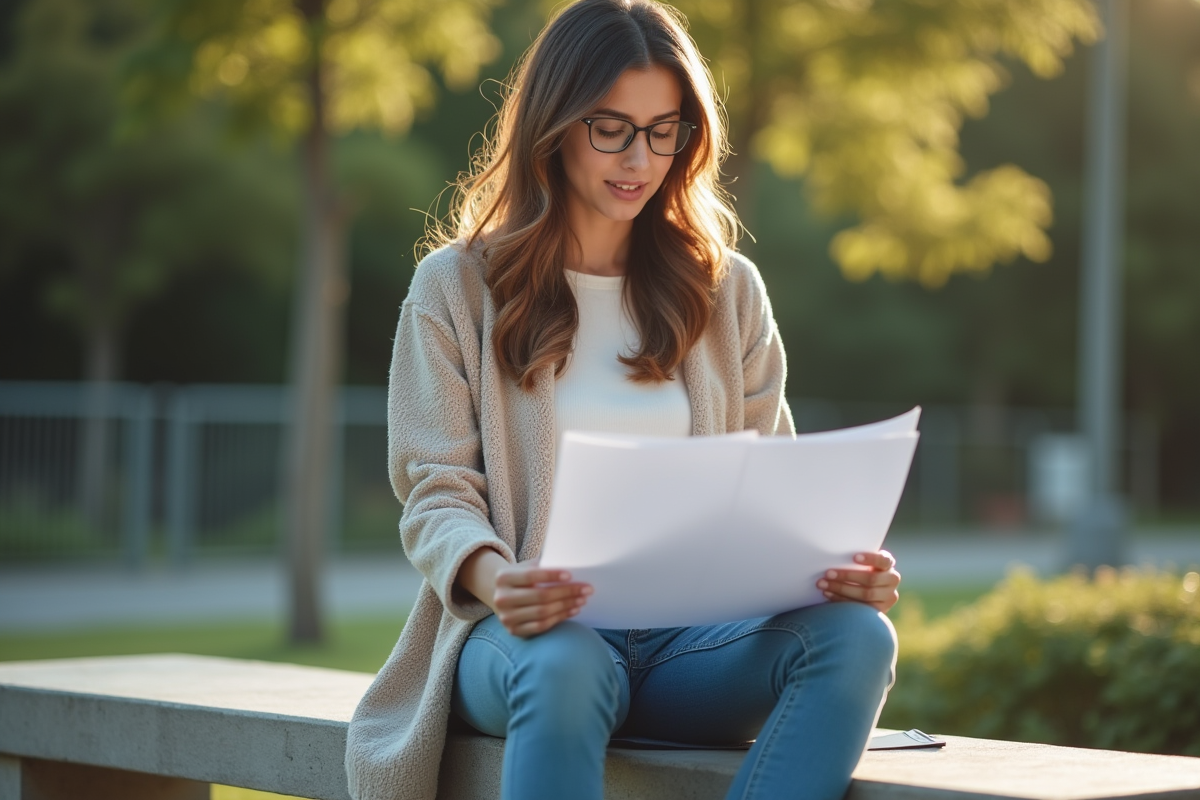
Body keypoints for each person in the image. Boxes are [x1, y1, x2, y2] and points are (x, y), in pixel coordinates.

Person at [345, 1, 902, 798]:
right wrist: (500, 579)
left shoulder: (727, 291)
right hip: (525, 637)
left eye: (662, 128)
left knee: (858, 637)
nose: (639, 156)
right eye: (610, 127)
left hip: (692, 650)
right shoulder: (455, 287)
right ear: (555, 126)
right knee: (566, 657)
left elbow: (773, 484)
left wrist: (834, 569)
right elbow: (434, 489)